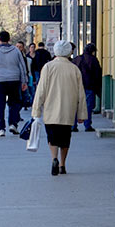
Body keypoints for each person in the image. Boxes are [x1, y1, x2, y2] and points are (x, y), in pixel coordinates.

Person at [29, 40, 87, 176]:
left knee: (52, 137)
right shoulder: (74, 69)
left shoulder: (48, 67)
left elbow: (41, 90)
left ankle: (54, 158)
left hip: (51, 110)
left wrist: (36, 110)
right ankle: (62, 164)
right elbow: (81, 93)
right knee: (65, 138)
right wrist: (82, 114)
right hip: (68, 110)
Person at [72, 43, 102, 132]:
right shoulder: (93, 60)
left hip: (76, 86)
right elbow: (97, 74)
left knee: (75, 106)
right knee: (88, 107)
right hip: (89, 86)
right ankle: (87, 125)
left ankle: (73, 126)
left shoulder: (77, 59)